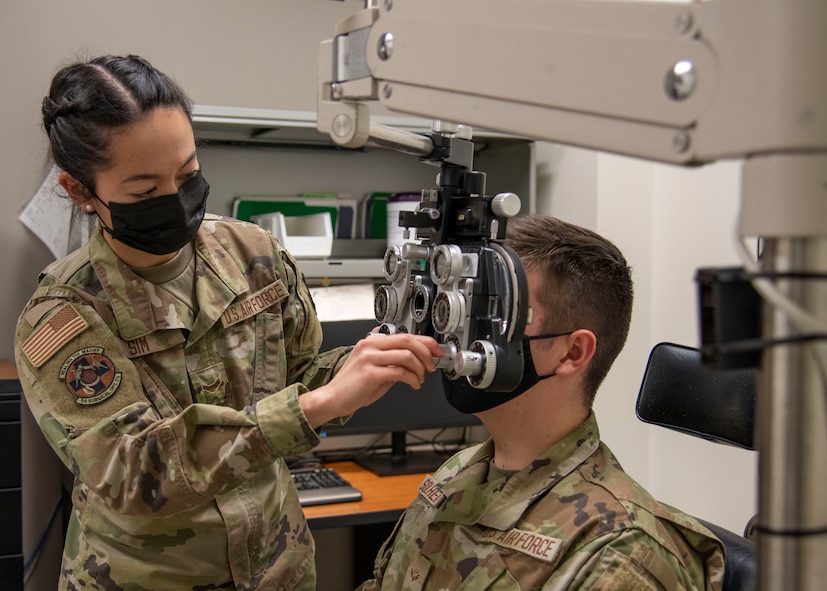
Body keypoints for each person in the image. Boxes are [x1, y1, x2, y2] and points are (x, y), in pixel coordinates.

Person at [14, 54, 442, 591]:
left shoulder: (252, 253)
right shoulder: (65, 315)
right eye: (146, 192)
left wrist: (361, 367)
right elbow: (133, 473)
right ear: (80, 191)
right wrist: (315, 406)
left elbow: (300, 374)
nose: (175, 198)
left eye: (188, 174)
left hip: (277, 567)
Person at [358, 214, 726, 590]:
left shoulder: (617, 555)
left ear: (573, 353)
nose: (456, 336)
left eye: (493, 315)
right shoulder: (460, 471)